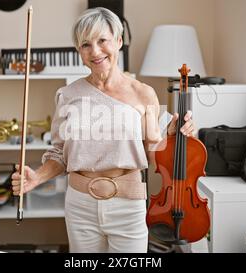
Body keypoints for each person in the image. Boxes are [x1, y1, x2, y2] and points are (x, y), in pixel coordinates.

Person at [11, 7, 196, 253]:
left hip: (128, 205)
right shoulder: (67, 95)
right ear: (79, 51)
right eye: (85, 44)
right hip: (80, 205)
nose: (95, 51)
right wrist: (37, 177)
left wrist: (173, 137)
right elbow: (59, 153)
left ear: (118, 41)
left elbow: (155, 155)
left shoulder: (143, 93)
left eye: (102, 41)